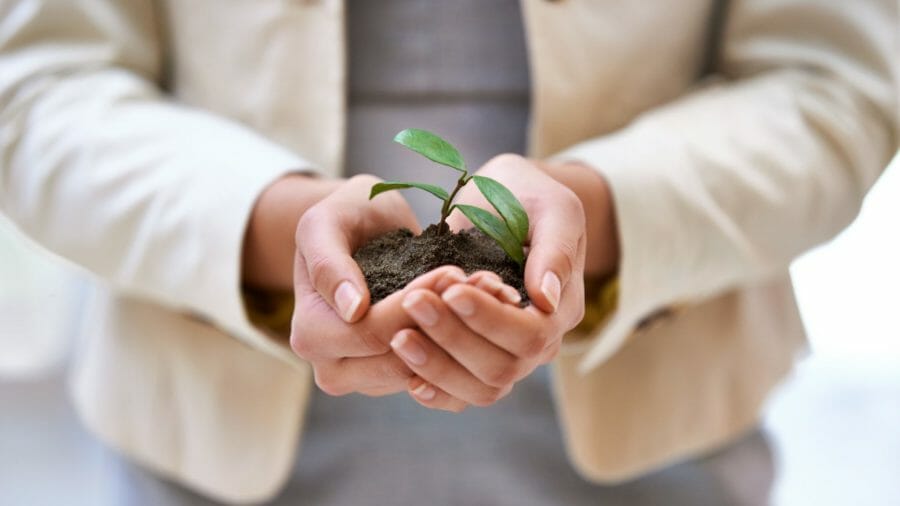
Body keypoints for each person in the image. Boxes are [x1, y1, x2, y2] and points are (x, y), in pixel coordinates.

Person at [0, 0, 896, 504]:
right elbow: (38, 91)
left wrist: (600, 212)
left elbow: (837, 86)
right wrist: (274, 225)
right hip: (205, 449)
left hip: (659, 448)